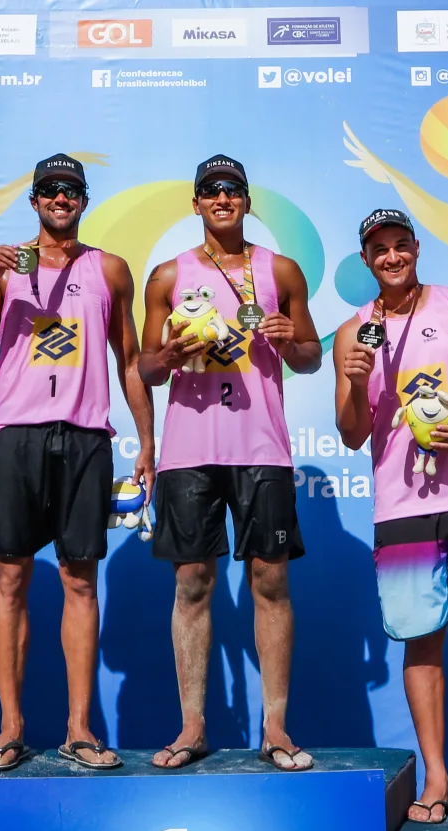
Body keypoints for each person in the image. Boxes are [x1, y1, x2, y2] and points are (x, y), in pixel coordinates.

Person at [0, 154, 155, 770]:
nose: (60, 198)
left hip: (86, 433)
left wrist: (148, 442)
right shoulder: (4, 266)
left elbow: (130, 360)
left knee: (78, 580)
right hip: (14, 434)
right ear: (34, 200)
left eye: (70, 190)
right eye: (49, 189)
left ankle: (78, 727)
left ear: (83, 200)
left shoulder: (110, 269)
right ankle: (11, 727)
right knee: (11, 575)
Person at [333, 209, 448, 822]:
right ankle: (435, 778)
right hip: (402, 507)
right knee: (420, 642)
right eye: (379, 249)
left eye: (399, 245)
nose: (391, 257)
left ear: (416, 248)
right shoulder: (352, 333)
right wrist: (356, 385)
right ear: (367, 260)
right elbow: (352, 433)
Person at [140, 155, 322, 771]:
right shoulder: (167, 275)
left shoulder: (282, 271)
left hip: (260, 446)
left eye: (233, 190)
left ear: (247, 202)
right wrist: (168, 351)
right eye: (211, 191)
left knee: (270, 581)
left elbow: (310, 358)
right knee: (192, 583)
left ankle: (276, 728)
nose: (222, 198)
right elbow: (143, 369)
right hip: (189, 449)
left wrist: (286, 339)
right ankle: (192, 727)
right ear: (196, 203)